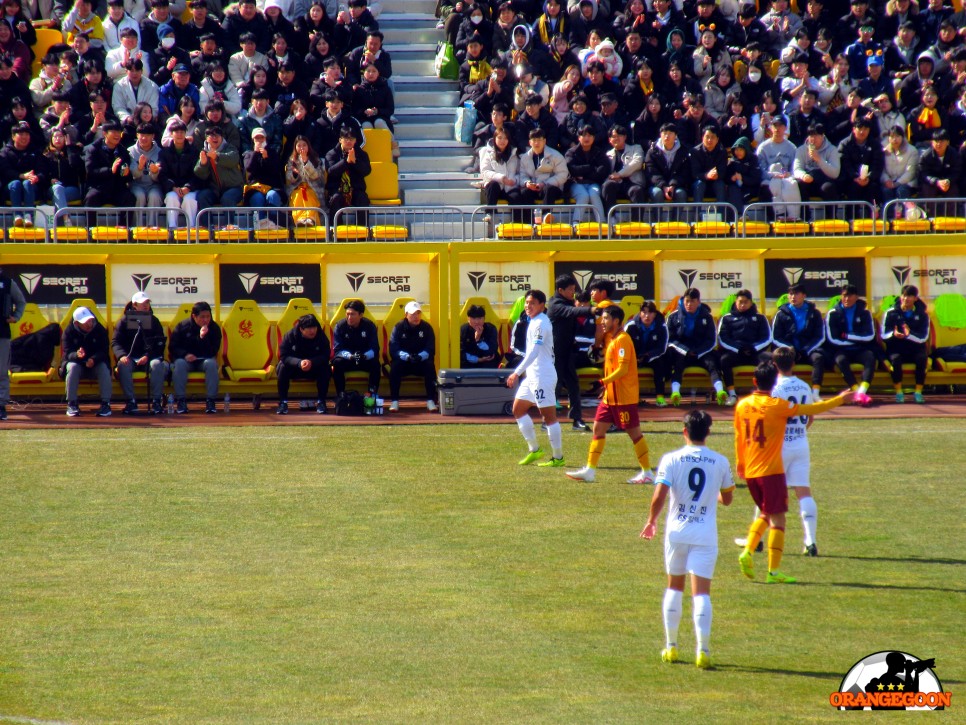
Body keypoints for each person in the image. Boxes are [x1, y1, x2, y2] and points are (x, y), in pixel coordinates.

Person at [735, 361, 853, 584]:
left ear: (753, 381)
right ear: (774, 383)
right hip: (771, 471)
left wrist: (740, 464)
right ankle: (772, 570)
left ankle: (750, 551)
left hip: (751, 470)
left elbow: (739, 436)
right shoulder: (776, 405)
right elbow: (811, 410)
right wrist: (840, 399)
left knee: (765, 514)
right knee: (778, 520)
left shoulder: (742, 405)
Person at [640, 409, 734, 670]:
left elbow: (660, 495)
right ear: (709, 432)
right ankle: (702, 650)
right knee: (701, 593)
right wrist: (712, 495)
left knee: (674, 587)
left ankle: (671, 647)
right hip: (705, 534)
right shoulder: (720, 461)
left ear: (685, 432)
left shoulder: (671, 459)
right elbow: (727, 499)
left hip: (677, 532)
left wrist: (651, 521)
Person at [566, 305, 655, 484]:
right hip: (610, 397)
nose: (602, 322)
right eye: (602, 318)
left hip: (624, 397)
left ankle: (647, 472)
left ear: (616, 321)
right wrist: (607, 388)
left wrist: (602, 382)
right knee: (598, 429)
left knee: (634, 434)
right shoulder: (611, 339)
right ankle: (590, 471)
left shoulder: (622, 339)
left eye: (606, 318)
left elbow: (623, 369)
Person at [506, 289, 564, 468]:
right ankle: (534, 449)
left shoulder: (541, 323)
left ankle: (558, 457)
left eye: (532, 303)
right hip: (532, 375)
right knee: (518, 409)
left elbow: (535, 351)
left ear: (541, 305)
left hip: (542, 375)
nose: (528, 306)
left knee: (549, 417)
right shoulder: (532, 321)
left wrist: (516, 372)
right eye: (526, 302)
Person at [665, 287, 727, 406]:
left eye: (692, 301)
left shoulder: (707, 317)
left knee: (712, 364)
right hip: (682, 352)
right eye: (687, 301)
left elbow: (712, 340)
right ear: (683, 301)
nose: (689, 304)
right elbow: (670, 339)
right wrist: (686, 351)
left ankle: (720, 392)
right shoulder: (673, 317)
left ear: (698, 302)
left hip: (701, 352)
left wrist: (698, 352)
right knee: (678, 364)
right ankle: (675, 394)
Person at [112, 290, 168, 415]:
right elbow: (116, 342)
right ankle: (131, 402)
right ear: (134, 305)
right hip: (130, 358)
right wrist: (121, 356)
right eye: (142, 303)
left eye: (147, 302)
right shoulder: (123, 321)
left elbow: (159, 344)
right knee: (123, 366)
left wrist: (147, 356)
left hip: (149, 358)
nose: (146, 305)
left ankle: (156, 401)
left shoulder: (154, 321)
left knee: (157, 365)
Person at [547, 273, 590, 431]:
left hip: (567, 352)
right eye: (571, 290)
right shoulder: (556, 304)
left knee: (573, 385)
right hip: (555, 353)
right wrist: (591, 310)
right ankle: (547, 421)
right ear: (560, 290)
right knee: (555, 385)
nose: (574, 292)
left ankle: (576, 420)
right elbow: (572, 312)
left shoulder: (567, 301)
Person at [771, 283, 827, 400]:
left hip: (808, 350)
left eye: (796, 294)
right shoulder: (781, 313)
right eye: (790, 294)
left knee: (818, 358)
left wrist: (806, 350)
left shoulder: (814, 313)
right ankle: (779, 392)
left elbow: (820, 336)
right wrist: (790, 349)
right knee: (776, 358)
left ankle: (815, 393)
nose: (793, 297)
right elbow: (776, 337)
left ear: (804, 295)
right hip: (789, 351)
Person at [717, 289, 773, 405]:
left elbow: (767, 338)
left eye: (745, 302)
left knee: (771, 359)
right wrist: (739, 349)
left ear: (751, 303)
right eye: (740, 302)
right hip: (736, 353)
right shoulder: (726, 318)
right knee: (723, 360)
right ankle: (732, 394)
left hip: (755, 352)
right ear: (736, 302)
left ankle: (766, 394)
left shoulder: (760, 318)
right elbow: (723, 338)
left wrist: (754, 348)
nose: (742, 305)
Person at [825, 284, 876, 406]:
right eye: (844, 296)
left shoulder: (865, 313)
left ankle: (862, 392)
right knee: (840, 360)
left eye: (850, 296)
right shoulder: (832, 313)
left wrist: (848, 337)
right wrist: (857, 339)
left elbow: (870, 336)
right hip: (841, 349)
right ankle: (856, 391)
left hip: (860, 349)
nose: (847, 299)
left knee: (870, 357)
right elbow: (832, 338)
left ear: (856, 297)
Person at [169, 300, 222, 414]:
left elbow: (213, 350)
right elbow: (173, 347)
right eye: (202, 317)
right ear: (194, 316)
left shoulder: (214, 328)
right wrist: (185, 355)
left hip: (204, 360)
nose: (206, 320)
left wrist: (203, 337)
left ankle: (211, 400)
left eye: (208, 316)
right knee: (179, 364)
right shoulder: (182, 326)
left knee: (212, 364)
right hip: (187, 361)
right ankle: (181, 400)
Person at [60, 306, 113, 418]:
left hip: (95, 364)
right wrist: (76, 355)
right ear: (76, 323)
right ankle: (72, 403)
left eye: (90, 320)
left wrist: (93, 359)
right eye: (85, 322)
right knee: (72, 367)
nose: (89, 324)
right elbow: (67, 353)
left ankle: (106, 404)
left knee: (103, 367)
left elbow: (104, 351)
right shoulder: (68, 332)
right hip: (78, 364)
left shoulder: (99, 329)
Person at [881, 284, 930, 404]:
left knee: (922, 358)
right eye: (904, 295)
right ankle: (899, 392)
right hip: (896, 347)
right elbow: (883, 334)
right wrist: (893, 334)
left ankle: (918, 392)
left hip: (916, 348)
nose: (906, 299)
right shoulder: (890, 313)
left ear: (915, 299)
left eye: (909, 296)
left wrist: (909, 334)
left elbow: (923, 337)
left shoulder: (923, 315)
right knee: (896, 360)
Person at [275, 313, 331, 415]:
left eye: (314, 327)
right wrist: (299, 363)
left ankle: (321, 402)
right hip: (295, 368)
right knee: (282, 367)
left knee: (326, 368)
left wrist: (312, 362)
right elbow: (283, 355)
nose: (312, 331)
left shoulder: (321, 336)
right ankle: (283, 402)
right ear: (301, 329)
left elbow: (326, 355)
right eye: (309, 328)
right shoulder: (290, 336)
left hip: (314, 368)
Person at [388, 300, 438, 413]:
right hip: (404, 362)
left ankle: (430, 400)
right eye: (413, 314)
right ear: (406, 315)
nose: (416, 317)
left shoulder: (426, 327)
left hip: (420, 361)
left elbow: (431, 348)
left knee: (430, 366)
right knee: (395, 367)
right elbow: (394, 348)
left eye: (418, 314)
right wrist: (407, 356)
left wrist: (420, 356)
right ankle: (394, 401)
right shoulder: (398, 327)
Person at [624, 300, 669, 407]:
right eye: (644, 312)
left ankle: (660, 397)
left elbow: (662, 348)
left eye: (650, 312)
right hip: (634, 357)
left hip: (652, 357)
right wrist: (634, 357)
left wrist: (647, 356)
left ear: (655, 314)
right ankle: (633, 397)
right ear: (640, 313)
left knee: (660, 364)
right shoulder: (630, 326)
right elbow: (624, 345)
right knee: (626, 367)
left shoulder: (662, 327)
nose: (647, 315)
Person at [331, 299, 380, 397]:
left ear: (361, 315)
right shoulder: (340, 326)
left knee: (376, 364)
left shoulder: (369, 326)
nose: (349, 317)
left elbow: (375, 348)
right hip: (348, 359)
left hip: (364, 359)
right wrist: (350, 356)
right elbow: (337, 350)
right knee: (337, 363)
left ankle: (372, 394)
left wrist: (364, 356)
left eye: (352, 314)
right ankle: (341, 395)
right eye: (347, 314)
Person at [324, 127, 370, 221]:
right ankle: (336, 232)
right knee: (335, 198)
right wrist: (346, 162)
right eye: (346, 139)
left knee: (362, 198)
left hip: (355, 189)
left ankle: (362, 233)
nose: (349, 141)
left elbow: (367, 171)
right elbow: (331, 171)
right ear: (340, 140)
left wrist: (355, 162)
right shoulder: (332, 154)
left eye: (352, 139)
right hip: (337, 189)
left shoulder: (361, 154)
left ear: (355, 141)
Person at [0, 265, 26, 421]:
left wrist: (16, 317)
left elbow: (21, 302)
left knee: (1, 371)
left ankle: (1, 405)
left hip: (2, 333)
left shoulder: (8, 283)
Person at [459, 304, 500, 369]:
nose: (477, 322)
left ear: (484, 318)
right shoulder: (463, 330)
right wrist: (478, 359)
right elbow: (461, 353)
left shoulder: (491, 328)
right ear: (468, 319)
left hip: (488, 362)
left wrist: (478, 340)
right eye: (473, 318)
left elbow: (491, 352)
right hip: (469, 363)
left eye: (480, 318)